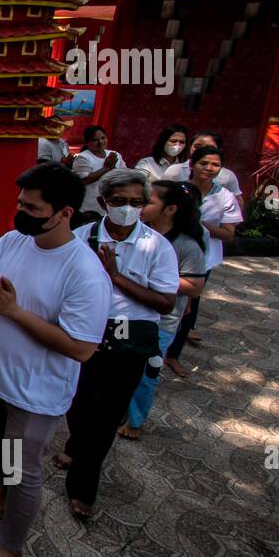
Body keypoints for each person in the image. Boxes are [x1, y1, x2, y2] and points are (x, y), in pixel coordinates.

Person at [0, 163, 111, 557]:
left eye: (32, 207)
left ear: (64, 213)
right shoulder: (13, 240)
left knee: (23, 469)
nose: (21, 212)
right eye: (19, 203)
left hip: (34, 394)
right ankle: (3, 492)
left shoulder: (84, 272)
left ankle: (10, 548)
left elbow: (82, 347)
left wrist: (12, 310)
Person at [52, 169, 178, 519]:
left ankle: (82, 487)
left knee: (105, 417)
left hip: (128, 338)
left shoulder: (156, 246)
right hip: (83, 332)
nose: (128, 209)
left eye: (137, 202)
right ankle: (76, 446)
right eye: (120, 202)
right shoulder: (80, 237)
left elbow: (166, 302)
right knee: (76, 403)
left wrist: (116, 278)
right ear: (104, 202)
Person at [120, 180, 207, 438]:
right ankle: (120, 408)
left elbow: (194, 286)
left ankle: (135, 421)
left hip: (161, 323)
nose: (139, 206)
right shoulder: (136, 233)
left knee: (147, 372)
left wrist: (148, 276)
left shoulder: (186, 245)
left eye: (147, 202)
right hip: (128, 316)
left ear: (170, 210)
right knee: (121, 366)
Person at [164, 145, 243, 376]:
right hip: (168, 253)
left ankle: (173, 355)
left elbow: (228, 233)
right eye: (204, 163)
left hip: (202, 260)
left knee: (188, 307)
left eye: (215, 165)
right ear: (192, 165)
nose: (209, 168)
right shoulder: (175, 191)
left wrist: (197, 223)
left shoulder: (224, 196)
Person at [162, 132, 243, 208]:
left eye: (209, 147)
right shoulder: (174, 171)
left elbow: (236, 204)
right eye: (197, 146)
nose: (202, 151)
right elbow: (161, 199)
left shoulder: (228, 176)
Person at [71, 125, 120, 221]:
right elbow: (84, 180)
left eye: (103, 138)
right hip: (89, 206)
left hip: (110, 204)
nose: (101, 142)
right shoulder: (83, 157)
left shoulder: (114, 155)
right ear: (87, 143)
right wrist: (106, 168)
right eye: (95, 140)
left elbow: (123, 174)